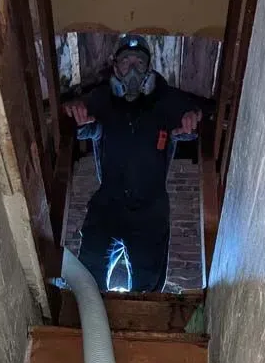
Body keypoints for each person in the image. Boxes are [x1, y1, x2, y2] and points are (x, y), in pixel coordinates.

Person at [65, 34, 204, 292]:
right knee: (86, 278)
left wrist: (191, 119)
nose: (132, 69)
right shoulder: (102, 99)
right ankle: (85, 323)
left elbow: (194, 118)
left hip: (150, 211)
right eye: (125, 61)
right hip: (108, 204)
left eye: (139, 62)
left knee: (147, 290)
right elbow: (78, 122)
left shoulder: (166, 101)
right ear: (115, 67)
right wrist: (75, 113)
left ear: (149, 69)